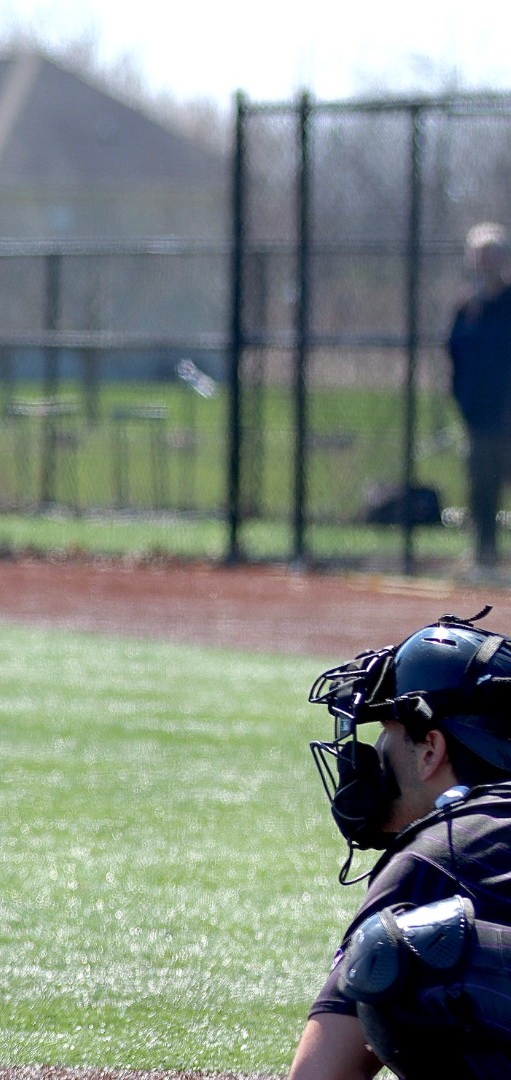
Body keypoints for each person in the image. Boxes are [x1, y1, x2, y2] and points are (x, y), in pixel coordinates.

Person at [290, 610, 511, 1079]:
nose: (373, 756)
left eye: (385, 734)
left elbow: (319, 1075)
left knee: (401, 949)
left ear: (430, 750)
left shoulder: (439, 853)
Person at [448, 222, 511, 578]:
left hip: (508, 416)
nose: (486, 264)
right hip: (479, 419)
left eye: (492, 256)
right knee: (482, 490)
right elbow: (455, 357)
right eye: (480, 256)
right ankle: (484, 557)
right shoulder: (467, 308)